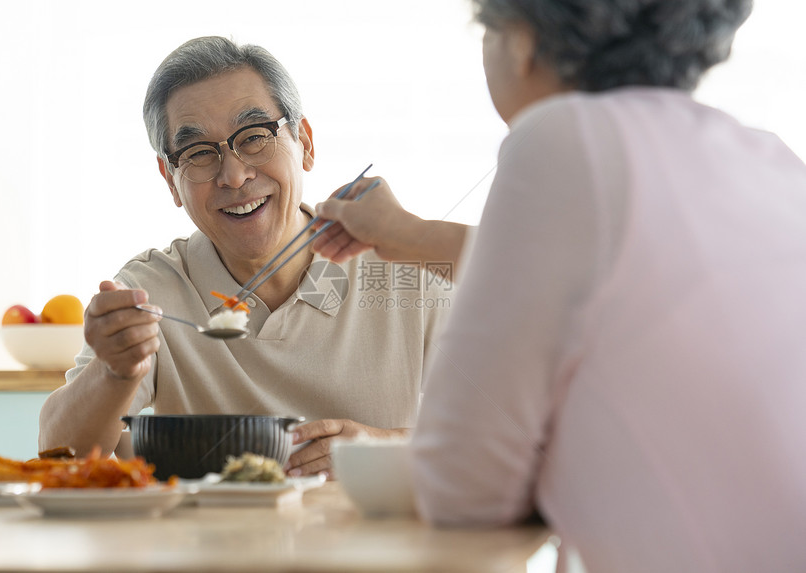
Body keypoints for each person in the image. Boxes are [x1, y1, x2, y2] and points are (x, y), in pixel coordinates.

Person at [313, 0, 806, 571]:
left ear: (521, 42)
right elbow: (610, 275)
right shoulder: (771, 158)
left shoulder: (563, 136)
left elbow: (463, 486)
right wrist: (414, 236)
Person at [38, 36, 452, 478]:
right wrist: (113, 373)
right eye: (198, 153)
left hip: (373, 542)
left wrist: (379, 450)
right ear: (170, 178)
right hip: (212, 546)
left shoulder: (405, 271)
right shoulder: (151, 290)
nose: (233, 176)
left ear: (305, 143)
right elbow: (59, 454)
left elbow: (514, 435)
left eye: (254, 138)